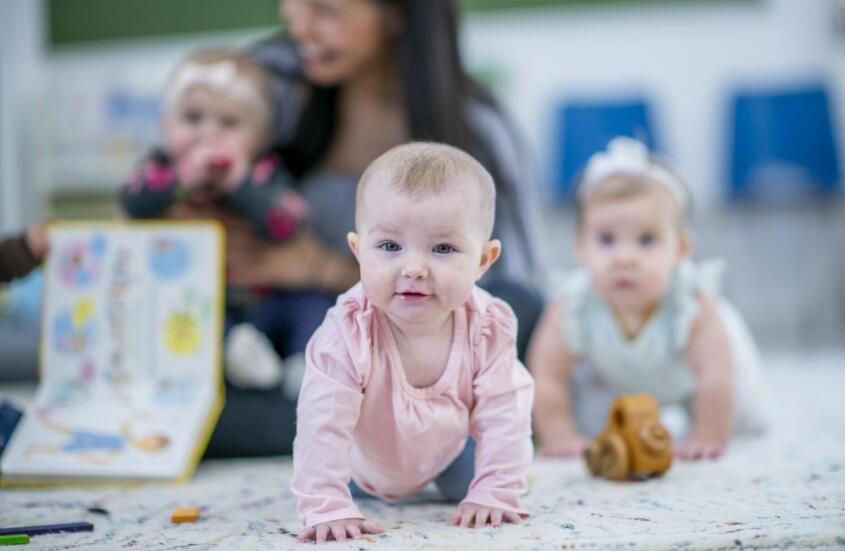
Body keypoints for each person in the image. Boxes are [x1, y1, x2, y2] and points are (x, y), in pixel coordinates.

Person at [170, 0, 544, 458]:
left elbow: (510, 291)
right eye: (292, 3)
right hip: (268, 337)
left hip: (409, 342)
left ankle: (351, 420)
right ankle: (377, 425)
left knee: (521, 309)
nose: (297, 23)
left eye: (325, 10)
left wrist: (319, 267)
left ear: (397, 14)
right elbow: (162, 179)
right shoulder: (265, 85)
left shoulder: (479, 129)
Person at [292, 143, 533, 543]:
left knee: (487, 483)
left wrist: (496, 490)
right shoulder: (349, 331)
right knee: (338, 483)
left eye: (443, 248)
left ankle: (488, 480)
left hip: (451, 456)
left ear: (483, 261)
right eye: (389, 247)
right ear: (358, 251)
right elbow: (323, 424)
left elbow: (505, 411)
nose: (414, 268)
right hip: (361, 469)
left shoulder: (488, 325)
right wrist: (327, 505)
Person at [529, 138, 767, 461]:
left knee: (741, 414)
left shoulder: (691, 303)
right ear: (580, 246)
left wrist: (707, 435)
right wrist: (560, 434)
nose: (624, 258)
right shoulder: (572, 304)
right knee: (602, 422)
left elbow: (714, 373)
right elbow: (548, 375)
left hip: (695, 368)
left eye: (646, 240)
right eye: (607, 240)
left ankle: (715, 421)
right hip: (617, 375)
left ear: (680, 250)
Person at [118, 49, 319, 396]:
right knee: (182, 315)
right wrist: (181, 179)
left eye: (229, 123)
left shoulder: (265, 173)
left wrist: (239, 184)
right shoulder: (160, 169)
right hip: (202, 305)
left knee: (312, 304)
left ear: (263, 137)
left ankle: (306, 364)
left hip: (266, 300)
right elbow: (133, 203)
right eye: (193, 118)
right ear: (165, 123)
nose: (208, 134)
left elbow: (284, 225)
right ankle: (237, 354)